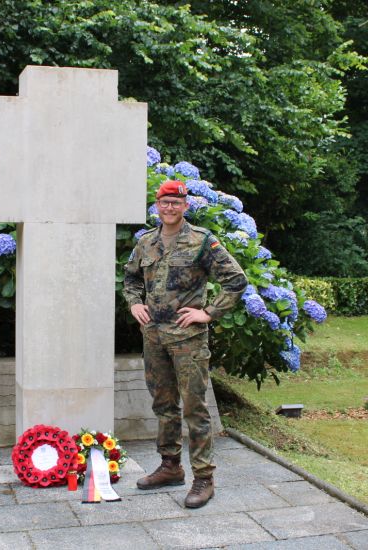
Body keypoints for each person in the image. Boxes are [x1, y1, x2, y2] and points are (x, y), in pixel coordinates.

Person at [122, 179, 248, 508]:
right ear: (157, 204)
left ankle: (204, 479)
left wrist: (208, 312)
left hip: (187, 340)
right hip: (154, 337)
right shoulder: (147, 242)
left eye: (176, 203)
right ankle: (170, 467)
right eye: (164, 202)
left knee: (195, 409)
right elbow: (131, 277)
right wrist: (135, 302)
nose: (169, 208)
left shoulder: (201, 241)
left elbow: (236, 280)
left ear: (185, 206)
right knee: (164, 405)